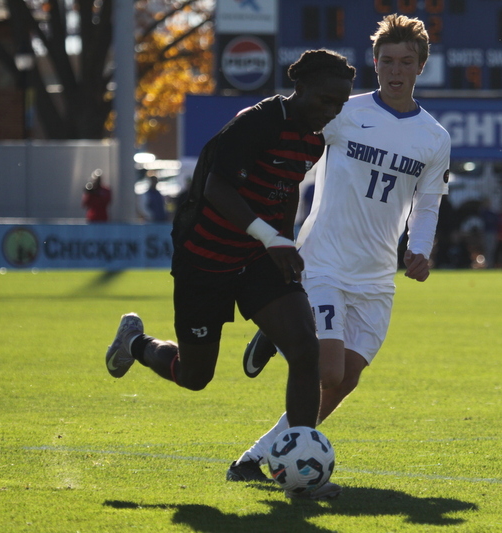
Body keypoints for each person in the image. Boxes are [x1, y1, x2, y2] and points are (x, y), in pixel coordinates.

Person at [103, 50, 356, 500]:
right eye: (325, 100)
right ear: (300, 89)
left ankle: (299, 475)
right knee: (195, 376)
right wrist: (268, 236)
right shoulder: (255, 123)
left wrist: (283, 241)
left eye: (339, 104)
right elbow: (216, 188)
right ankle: (135, 344)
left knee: (304, 348)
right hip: (205, 261)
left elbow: (284, 192)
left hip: (258, 258)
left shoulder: (312, 138)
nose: (331, 111)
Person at [227, 14, 451, 497]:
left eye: (405, 62)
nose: (395, 70)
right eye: (387, 60)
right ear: (374, 63)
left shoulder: (434, 138)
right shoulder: (343, 113)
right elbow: (289, 141)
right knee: (325, 369)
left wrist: (419, 250)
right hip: (324, 262)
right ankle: (279, 333)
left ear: (420, 67)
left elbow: (427, 202)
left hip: (376, 278)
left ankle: (256, 459)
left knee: (344, 380)